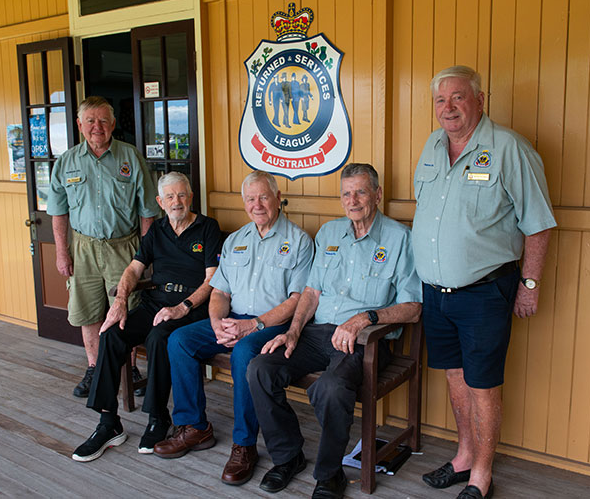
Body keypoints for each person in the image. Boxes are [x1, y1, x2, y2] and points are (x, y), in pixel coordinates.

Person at [412, 66, 556, 499]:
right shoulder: (433, 147)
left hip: (484, 293)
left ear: (480, 99)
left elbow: (539, 224)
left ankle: (482, 475)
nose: (448, 107)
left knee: (483, 386)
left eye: (458, 97)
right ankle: (464, 457)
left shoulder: (509, 148)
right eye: (441, 100)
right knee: (455, 380)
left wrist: (529, 285)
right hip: (435, 295)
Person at [247, 164, 422, 499]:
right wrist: (293, 332)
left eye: (360, 192)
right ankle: (288, 457)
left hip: (366, 342)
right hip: (317, 333)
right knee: (259, 369)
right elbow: (311, 292)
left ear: (377, 195)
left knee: (330, 388)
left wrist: (365, 319)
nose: (352, 200)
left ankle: (329, 475)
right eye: (346, 193)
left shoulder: (400, 239)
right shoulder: (329, 233)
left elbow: (413, 308)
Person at [153, 171, 314, 486]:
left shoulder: (298, 241)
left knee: (243, 353)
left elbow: (298, 299)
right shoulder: (237, 240)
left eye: (264, 197)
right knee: (180, 340)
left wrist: (251, 325)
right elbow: (220, 292)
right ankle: (193, 427)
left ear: (278, 198)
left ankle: (244, 445)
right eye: (251, 199)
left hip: (271, 323)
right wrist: (216, 323)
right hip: (233, 319)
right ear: (244, 203)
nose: (258, 205)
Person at [71, 172, 222, 461]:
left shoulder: (207, 228)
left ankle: (158, 416)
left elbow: (212, 281)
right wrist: (120, 301)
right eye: (170, 197)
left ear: (190, 197)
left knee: (158, 337)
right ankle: (108, 422)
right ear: (160, 202)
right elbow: (133, 269)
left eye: (181, 195)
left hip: (191, 308)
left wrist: (182, 307)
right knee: (111, 333)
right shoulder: (156, 231)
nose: (176, 201)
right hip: (155, 303)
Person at [47, 96, 160, 398]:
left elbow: (148, 211)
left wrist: (144, 254)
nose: (97, 127)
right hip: (82, 248)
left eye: (103, 121)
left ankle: (130, 367)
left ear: (113, 124)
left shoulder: (130, 157)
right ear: (79, 124)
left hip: (124, 246)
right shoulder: (66, 162)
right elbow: (58, 212)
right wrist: (62, 252)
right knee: (88, 311)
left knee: (126, 309)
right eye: (90, 121)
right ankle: (95, 368)